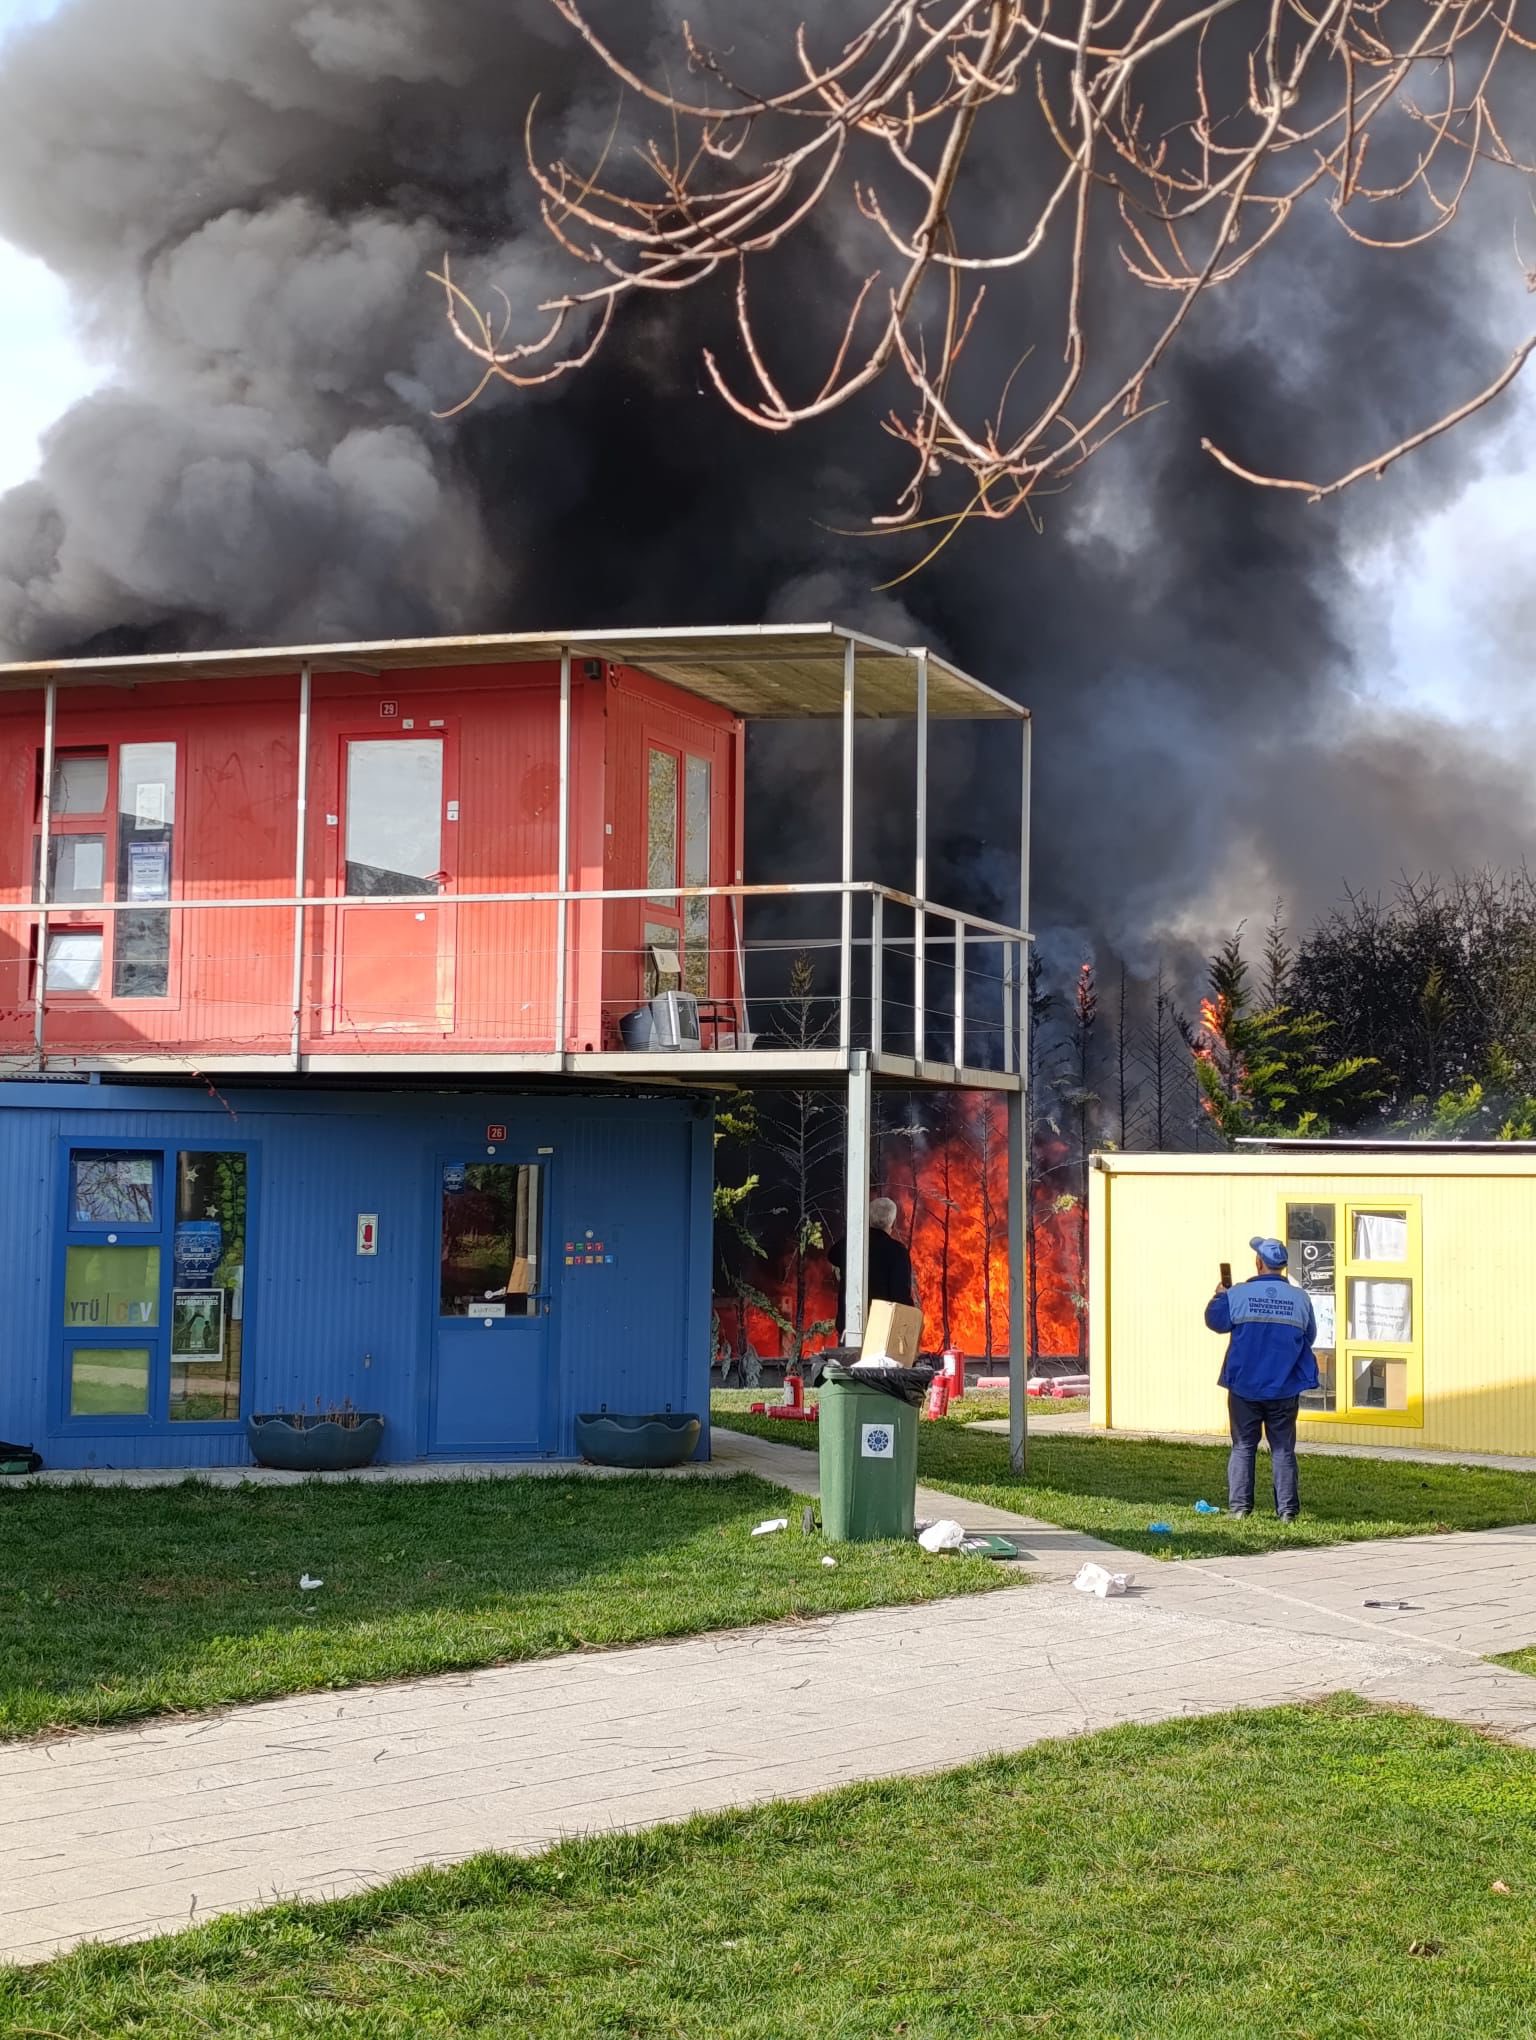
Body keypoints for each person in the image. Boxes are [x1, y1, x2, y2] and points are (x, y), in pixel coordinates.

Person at [1204, 1236, 1320, 1522]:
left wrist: (1220, 1294)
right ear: (1282, 1266)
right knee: (1283, 1449)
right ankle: (1287, 1512)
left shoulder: (1238, 1295)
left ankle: (1241, 1509)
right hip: (1284, 1387)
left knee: (1243, 1446)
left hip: (1245, 1386)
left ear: (1258, 1263)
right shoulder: (1300, 1299)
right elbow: (1310, 1336)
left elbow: (1215, 1322)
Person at [828, 1196, 915, 1341]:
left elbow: (833, 1254)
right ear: (892, 1222)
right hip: (882, 1332)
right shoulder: (897, 1252)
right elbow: (901, 1296)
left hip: (850, 1329)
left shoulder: (852, 1245)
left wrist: (859, 1231)